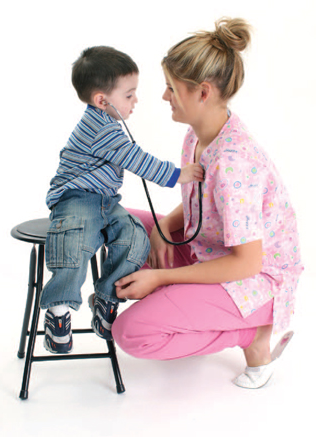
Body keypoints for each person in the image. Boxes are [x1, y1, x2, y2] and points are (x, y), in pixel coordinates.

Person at [112, 18, 304, 389]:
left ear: (202, 92)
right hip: (210, 250)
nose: (165, 97)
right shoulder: (199, 135)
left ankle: (252, 336)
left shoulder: (235, 160)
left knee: (131, 332)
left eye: (171, 88)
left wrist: (162, 276)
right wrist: (164, 227)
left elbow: (247, 261)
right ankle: (180, 298)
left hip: (255, 280)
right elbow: (206, 203)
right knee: (120, 219)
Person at [40, 46, 204, 354]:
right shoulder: (100, 129)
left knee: (134, 237)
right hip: (76, 196)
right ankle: (58, 311)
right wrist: (179, 174)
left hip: (104, 201)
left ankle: (106, 297)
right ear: (102, 101)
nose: (135, 101)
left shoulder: (109, 125)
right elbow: (136, 159)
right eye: (129, 95)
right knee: (75, 241)